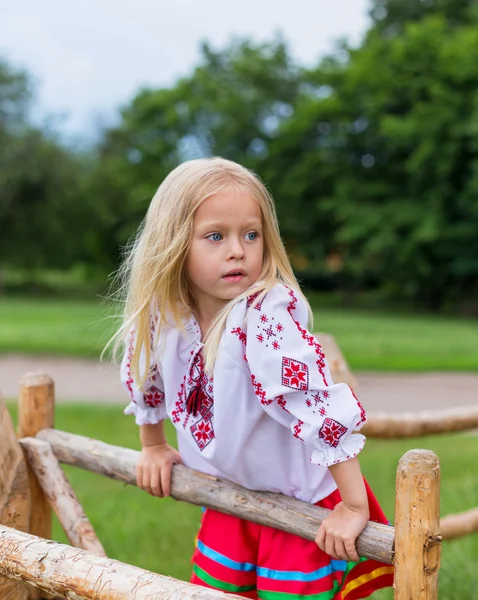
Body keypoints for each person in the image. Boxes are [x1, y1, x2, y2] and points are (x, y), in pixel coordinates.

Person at [112, 157, 394, 599]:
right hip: (231, 498)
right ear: (172, 244)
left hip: (298, 503)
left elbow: (317, 405)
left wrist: (354, 505)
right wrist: (153, 445)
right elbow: (146, 377)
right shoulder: (163, 316)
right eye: (215, 236)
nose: (237, 250)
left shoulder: (264, 317)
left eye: (250, 234)